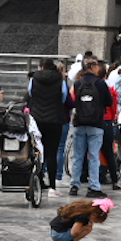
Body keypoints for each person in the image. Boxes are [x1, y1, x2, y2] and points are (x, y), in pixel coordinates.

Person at [67, 58, 113, 198]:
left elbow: (73, 101)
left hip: (80, 123)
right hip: (96, 123)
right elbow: (109, 102)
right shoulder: (100, 83)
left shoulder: (78, 83)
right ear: (93, 68)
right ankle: (94, 186)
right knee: (94, 156)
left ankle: (74, 185)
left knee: (78, 156)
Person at [28, 59, 70, 195]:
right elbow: (63, 96)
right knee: (52, 153)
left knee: (37, 152)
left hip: (37, 119)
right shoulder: (60, 80)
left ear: (41, 67)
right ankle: (52, 186)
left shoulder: (34, 79)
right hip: (55, 119)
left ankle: (38, 181)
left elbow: (30, 93)